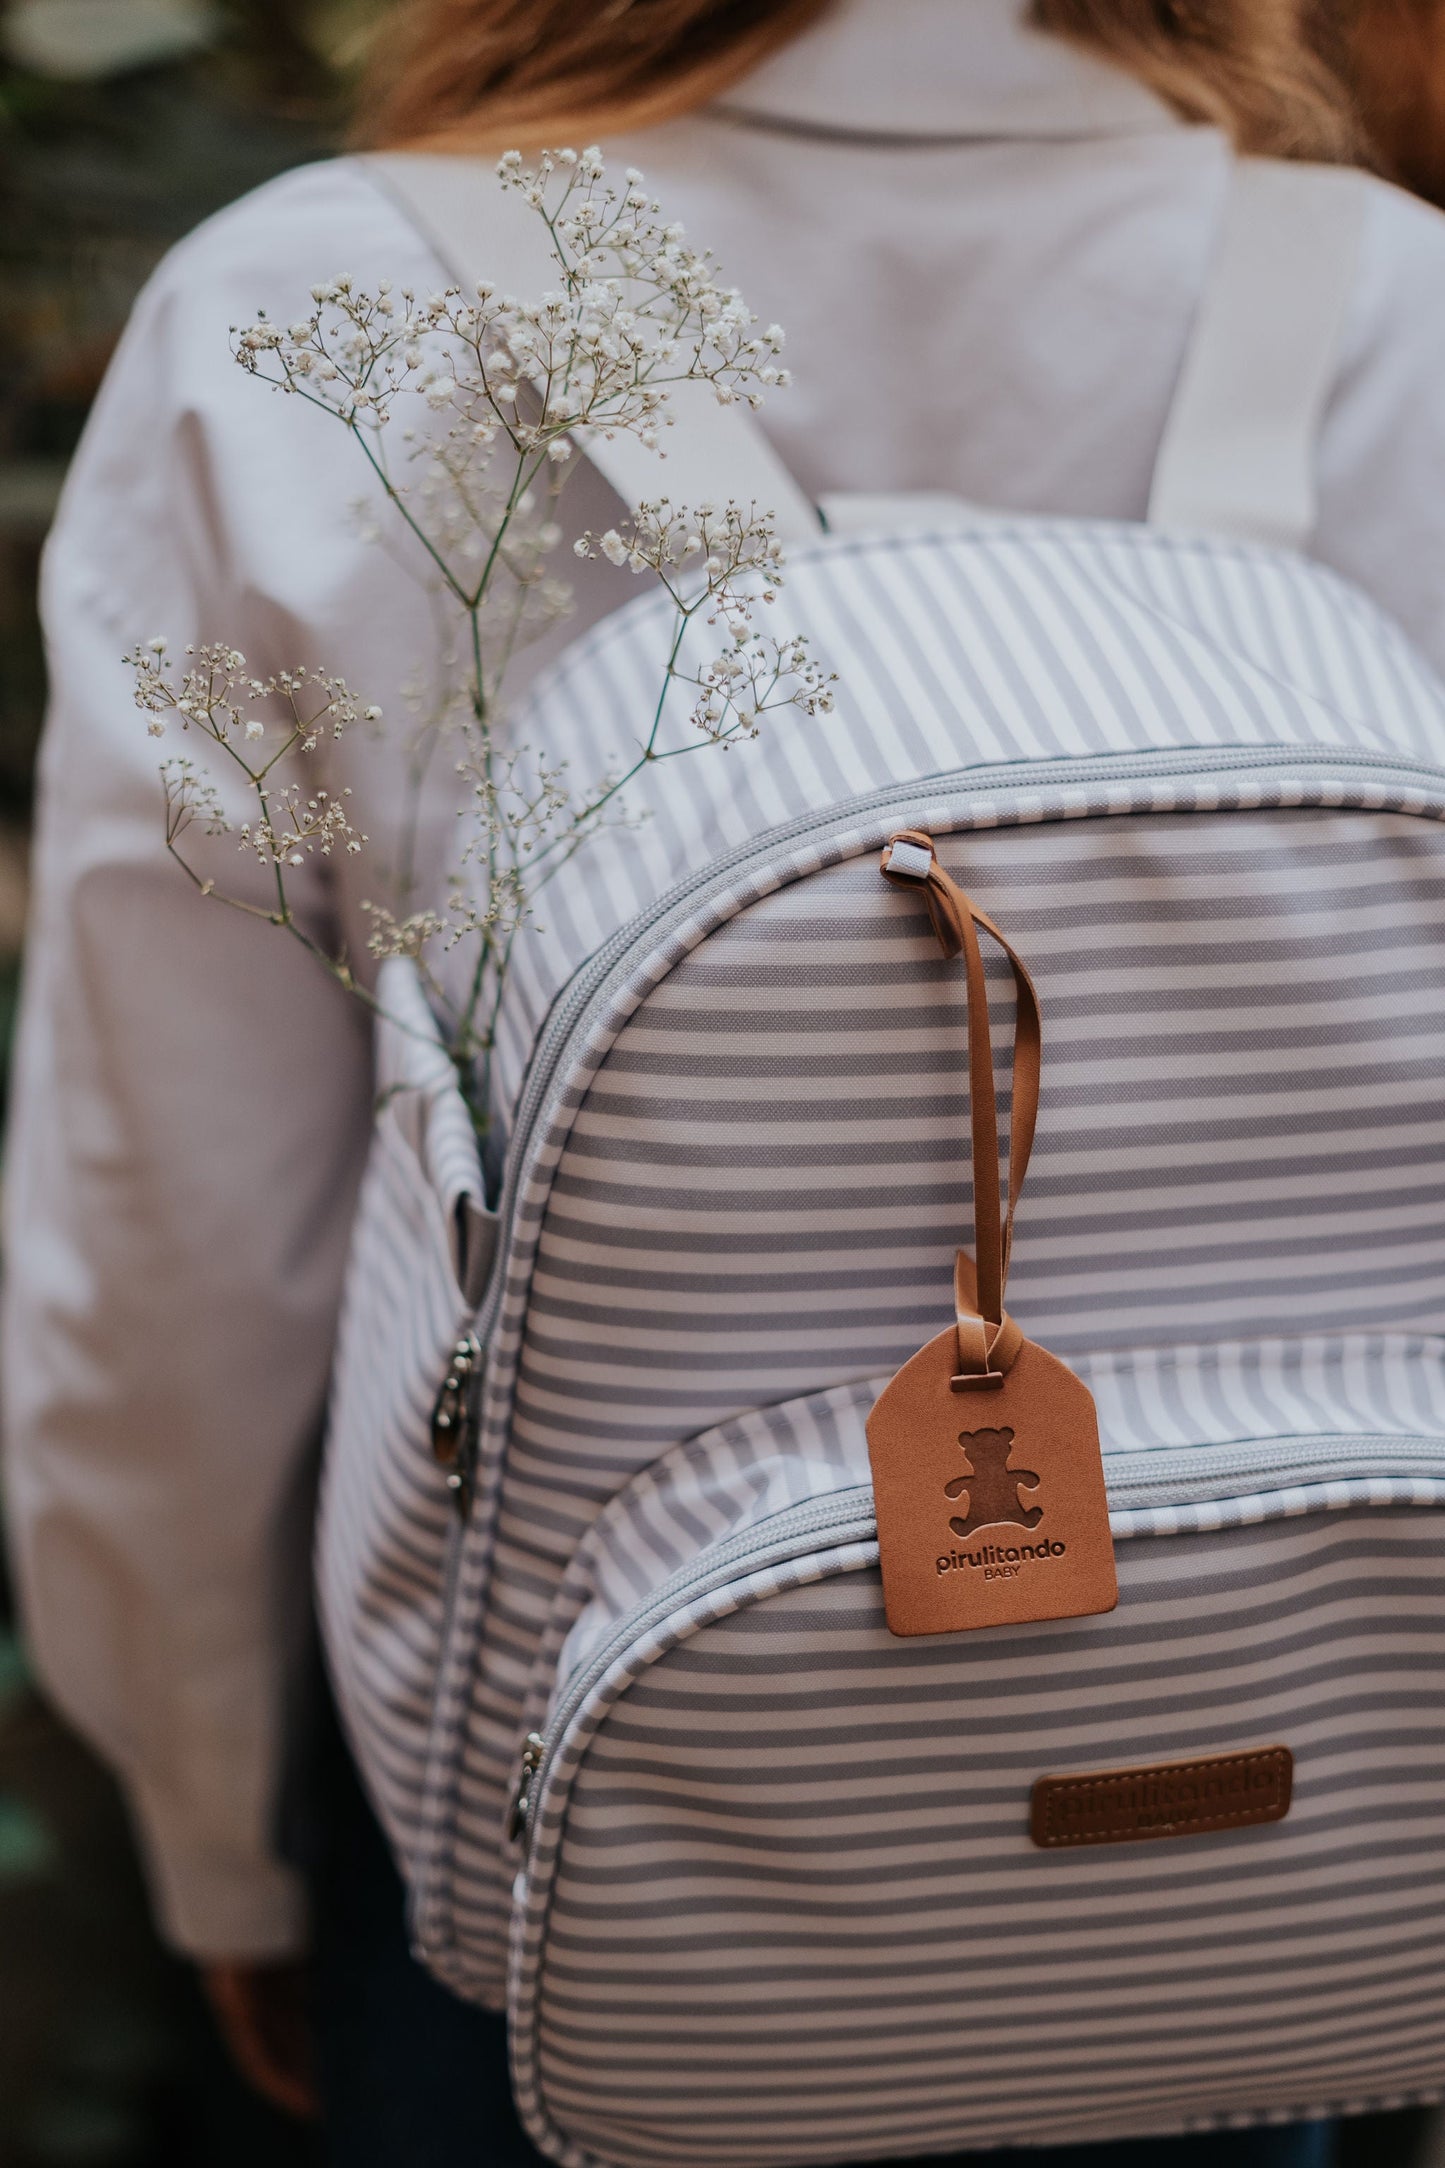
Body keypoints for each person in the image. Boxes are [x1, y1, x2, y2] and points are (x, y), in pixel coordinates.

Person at [7, 0, 1445, 2157]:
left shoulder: (310, 310)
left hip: (564, 1831)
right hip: (1268, 1770)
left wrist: (217, 1824)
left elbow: (182, 1240)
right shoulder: (1396, 304)